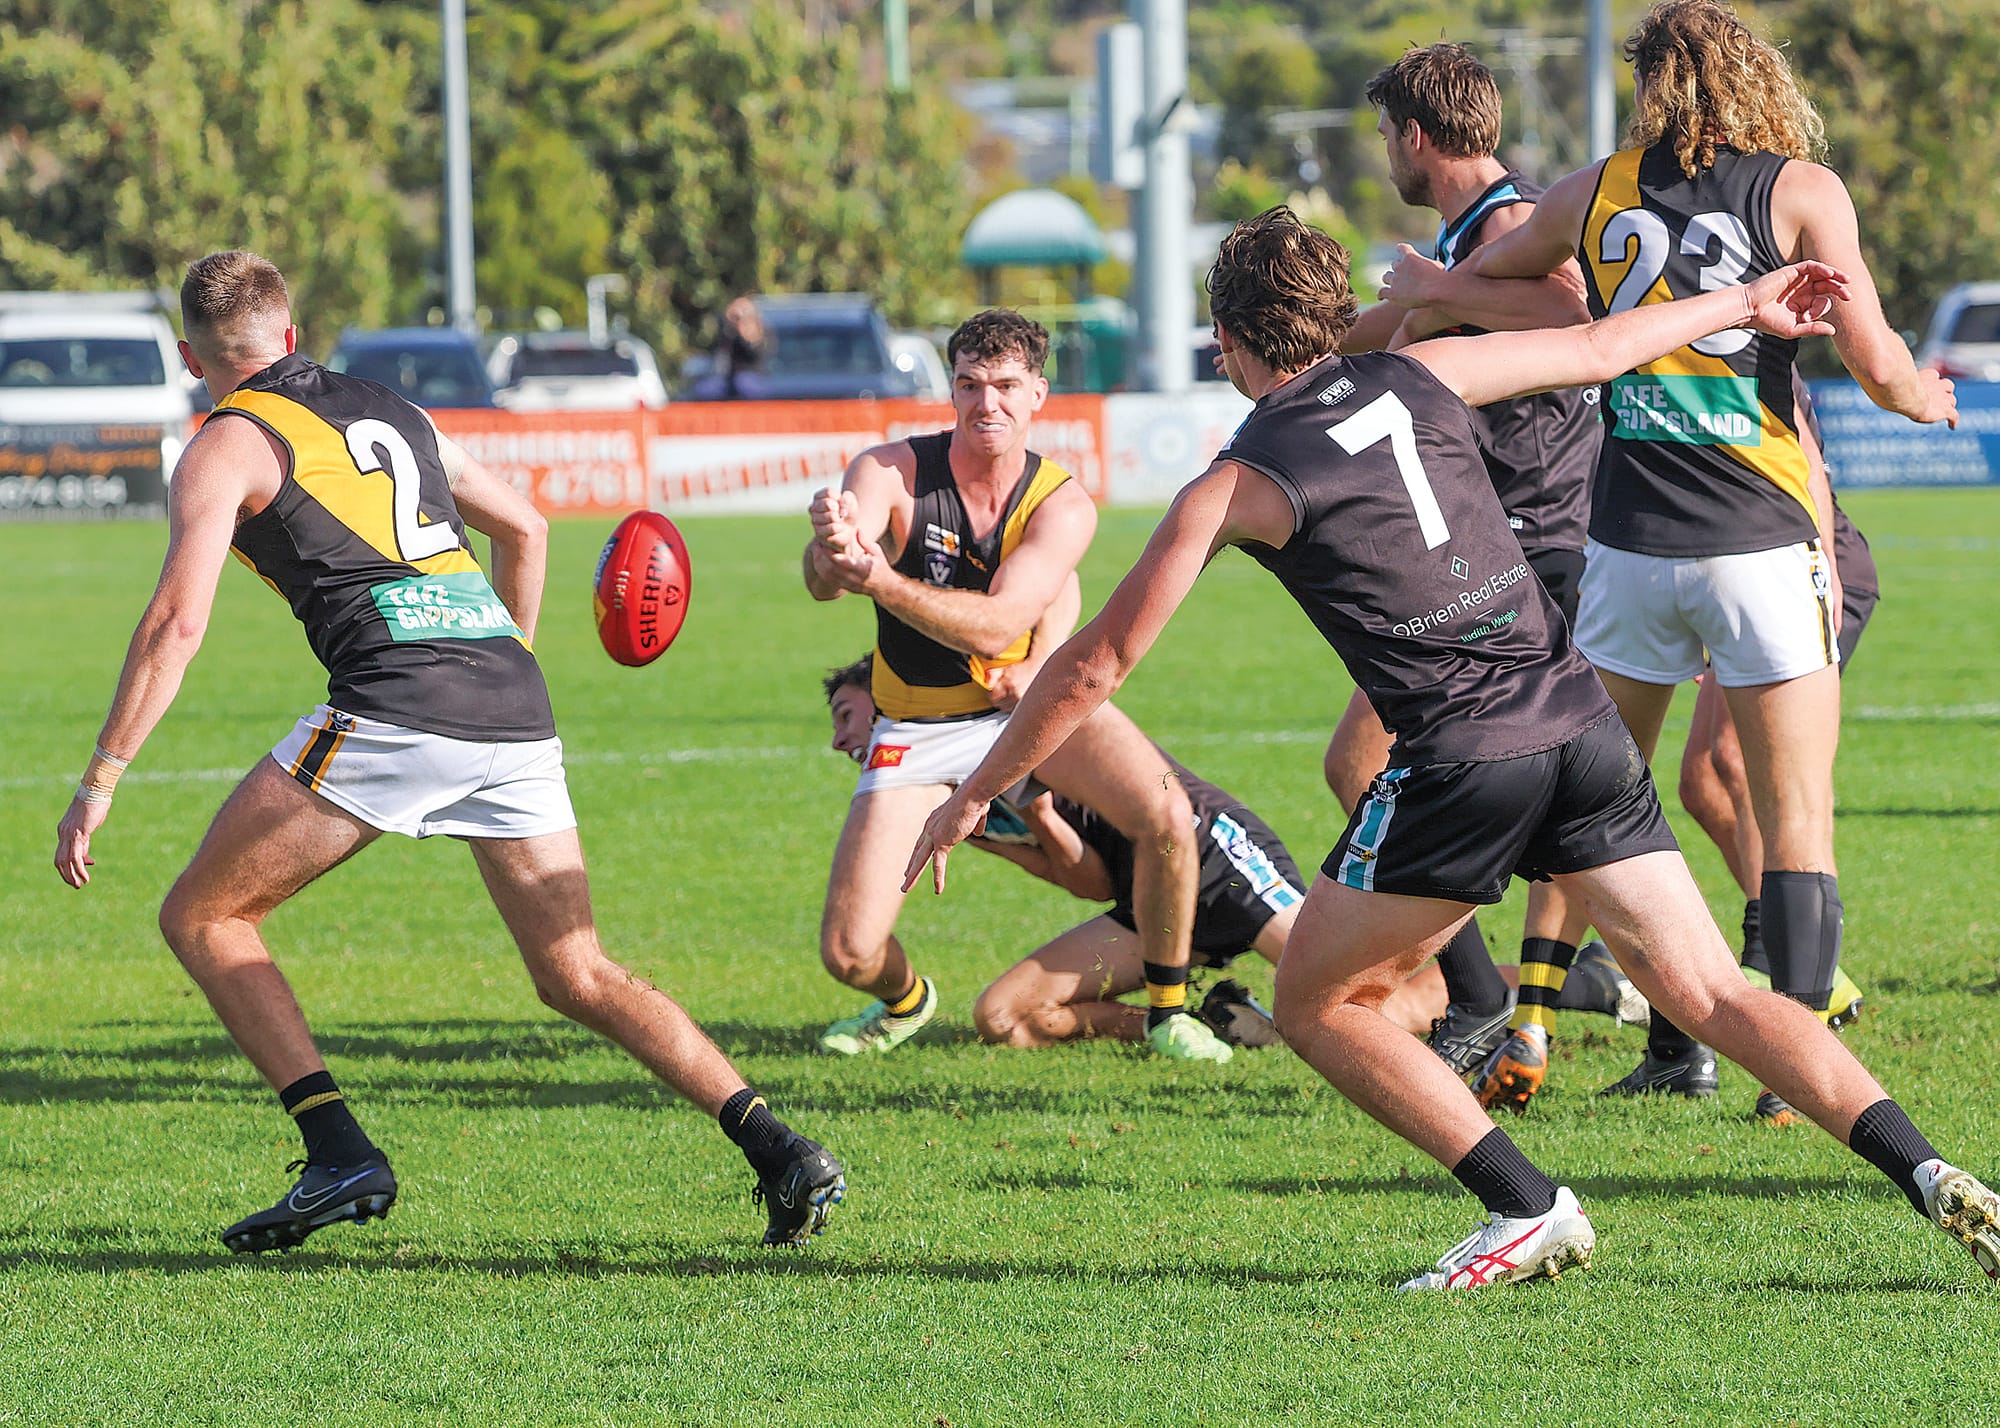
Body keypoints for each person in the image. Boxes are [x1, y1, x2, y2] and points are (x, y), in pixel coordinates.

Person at [905, 206, 2000, 1290]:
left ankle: (1527, 1207)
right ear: (1333, 318)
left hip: (1462, 759)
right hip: (1578, 725)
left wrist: (973, 793)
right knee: (1712, 991)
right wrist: (1746, 301)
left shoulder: (1235, 482)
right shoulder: (1420, 375)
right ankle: (1927, 1168)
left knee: (1314, 1005)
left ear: (1229, 344)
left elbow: (1094, 665)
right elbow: (1596, 345)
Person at [52, 251, 844, 1253]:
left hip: (394, 698)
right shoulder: (395, 409)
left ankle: (338, 1150)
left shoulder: (225, 444)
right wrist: (502, 649)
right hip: (509, 701)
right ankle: (779, 1149)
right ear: (290, 336)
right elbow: (526, 523)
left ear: (188, 355)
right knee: (575, 971)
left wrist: (101, 779)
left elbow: (176, 623)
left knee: (204, 915)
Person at [1385, 0, 1956, 1118]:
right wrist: (1921, 398)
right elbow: (1876, 357)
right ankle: (1794, 1081)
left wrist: (1428, 291)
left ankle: (1553, 1018)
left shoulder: (1590, 192)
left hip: (1626, 549)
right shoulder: (1798, 189)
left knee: (1589, 807)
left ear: (1648, 85)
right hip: (1756, 540)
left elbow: (1509, 286)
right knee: (1795, 818)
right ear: (1754, 78)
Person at [803, 310, 1229, 1062]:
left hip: (1028, 708)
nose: (985, 403)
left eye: (1004, 385)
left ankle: (1168, 1009)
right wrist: (835, 552)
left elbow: (1000, 627)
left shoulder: (1063, 503)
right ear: (951, 391)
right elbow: (825, 582)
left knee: (1168, 814)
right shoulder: (889, 471)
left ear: (1038, 393)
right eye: (968, 384)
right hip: (916, 728)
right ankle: (906, 1001)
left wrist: (880, 582)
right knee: (847, 952)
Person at [1329, 43, 1609, 1104]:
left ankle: (1484, 1000)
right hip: (1512, 545)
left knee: (1373, 757)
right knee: (1572, 805)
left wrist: (1438, 292)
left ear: (1412, 134)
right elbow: (1400, 331)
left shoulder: (1501, 224)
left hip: (1545, 542)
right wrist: (1287, 361)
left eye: (1383, 137)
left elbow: (1575, 317)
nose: (1384, 156)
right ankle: (1654, 1025)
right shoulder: (1465, 236)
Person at [821, 654, 1457, 1045]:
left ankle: (1504, 998)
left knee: (1368, 1012)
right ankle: (1207, 1023)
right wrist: (1034, 815)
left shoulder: (998, 722)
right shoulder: (946, 807)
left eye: (848, 715)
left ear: (893, 708)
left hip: (1211, 858)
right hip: (1142, 900)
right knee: (1004, 1017)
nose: (838, 740)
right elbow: (1089, 881)